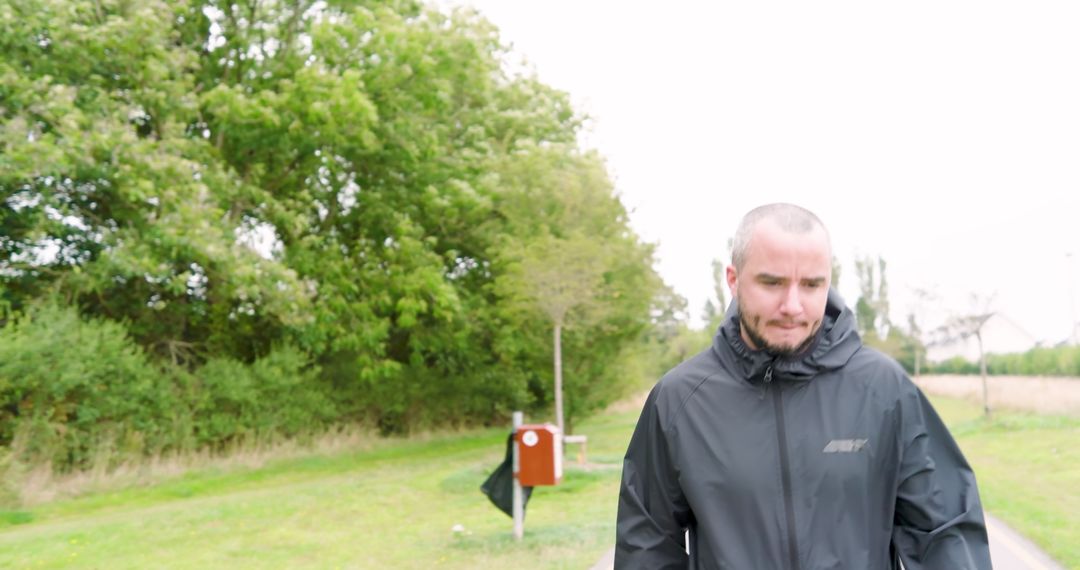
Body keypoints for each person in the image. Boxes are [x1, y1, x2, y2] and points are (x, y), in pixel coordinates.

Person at [615, 203, 992, 569]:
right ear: (733, 280)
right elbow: (646, 548)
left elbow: (945, 533)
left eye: (812, 285)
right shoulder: (679, 400)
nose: (792, 305)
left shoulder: (884, 390)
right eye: (772, 283)